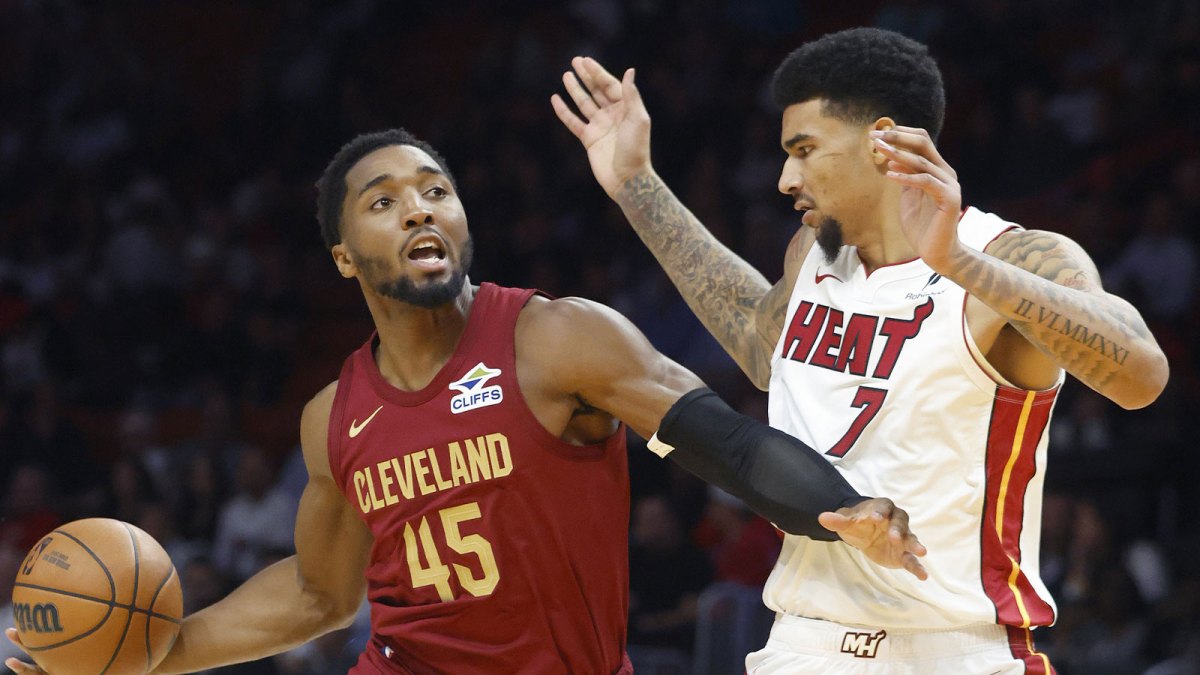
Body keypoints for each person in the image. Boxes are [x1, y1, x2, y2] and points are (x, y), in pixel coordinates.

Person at [6, 129, 926, 675]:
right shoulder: (333, 417)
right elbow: (321, 592)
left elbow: (727, 441)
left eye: (436, 191)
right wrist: (140, 657)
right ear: (343, 256)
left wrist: (841, 505)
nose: (419, 209)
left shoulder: (558, 338)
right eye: (384, 201)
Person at [552, 27, 1169, 673]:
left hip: (952, 650)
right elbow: (761, 345)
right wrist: (636, 184)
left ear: (882, 142)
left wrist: (958, 262)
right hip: (801, 645)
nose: (786, 178)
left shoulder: (1008, 255)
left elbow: (1142, 376)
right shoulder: (811, 255)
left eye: (805, 150)